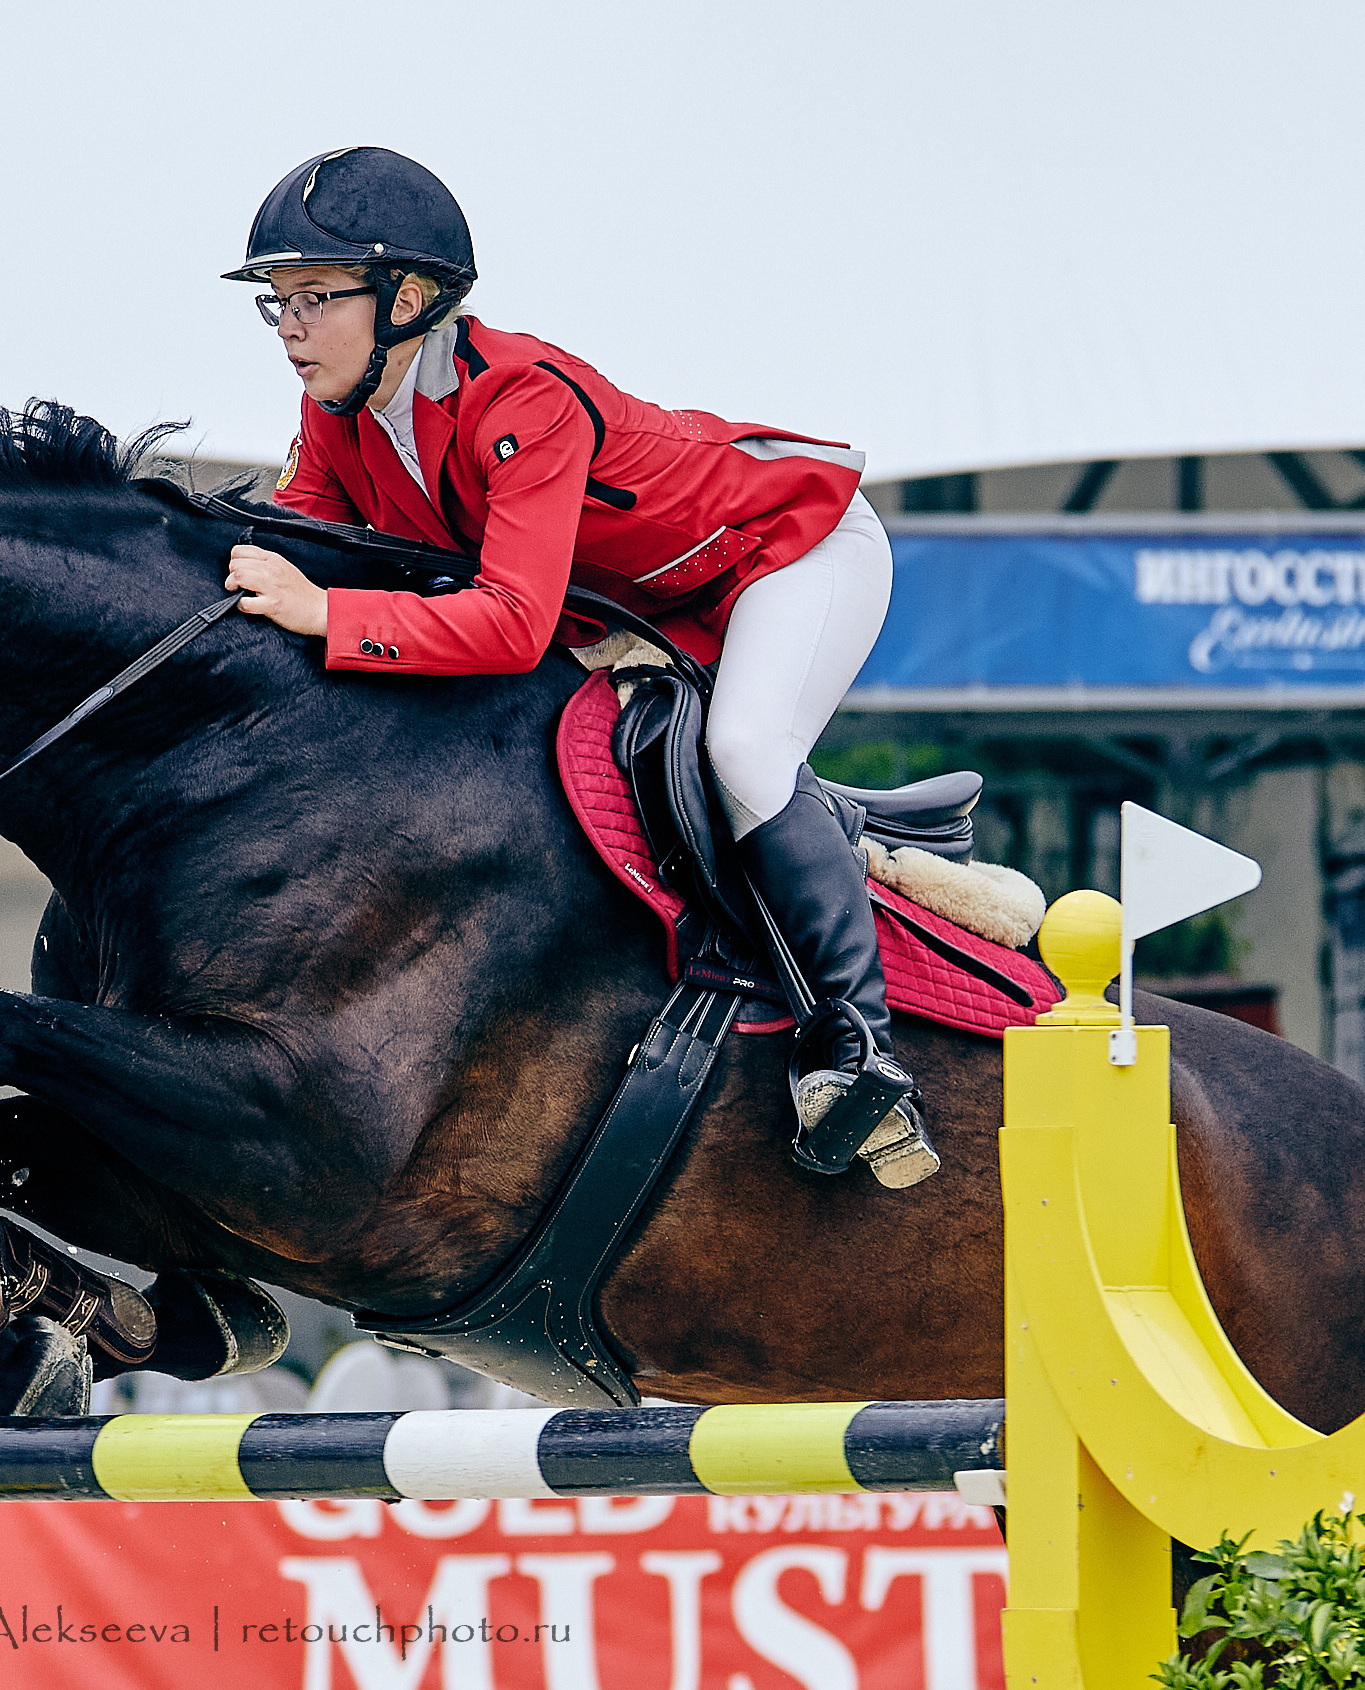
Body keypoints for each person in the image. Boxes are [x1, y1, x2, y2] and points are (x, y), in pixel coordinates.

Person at [219, 146, 932, 1186]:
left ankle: (854, 1044)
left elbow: (506, 622)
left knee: (742, 747)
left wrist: (323, 611)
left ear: (408, 298)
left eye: (315, 298)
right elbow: (295, 554)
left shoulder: (523, 398)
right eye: (276, 303)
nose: (287, 327)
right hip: (638, 607)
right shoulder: (336, 419)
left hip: (785, 552)